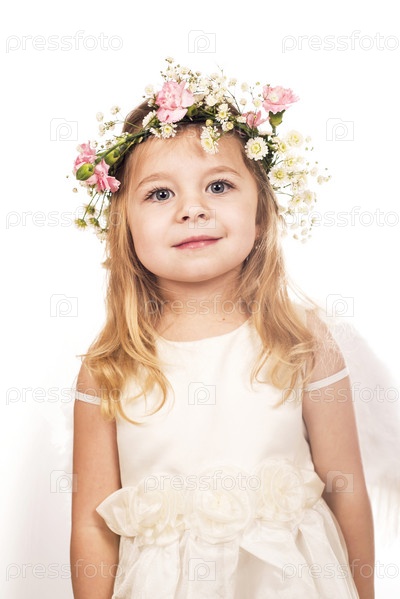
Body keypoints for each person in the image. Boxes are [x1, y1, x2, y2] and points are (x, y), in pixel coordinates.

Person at [70, 59, 374, 598]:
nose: (192, 209)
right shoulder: (111, 366)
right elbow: (92, 526)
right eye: (160, 194)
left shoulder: (300, 340)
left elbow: (345, 490)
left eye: (218, 185)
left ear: (260, 210)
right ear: (124, 225)